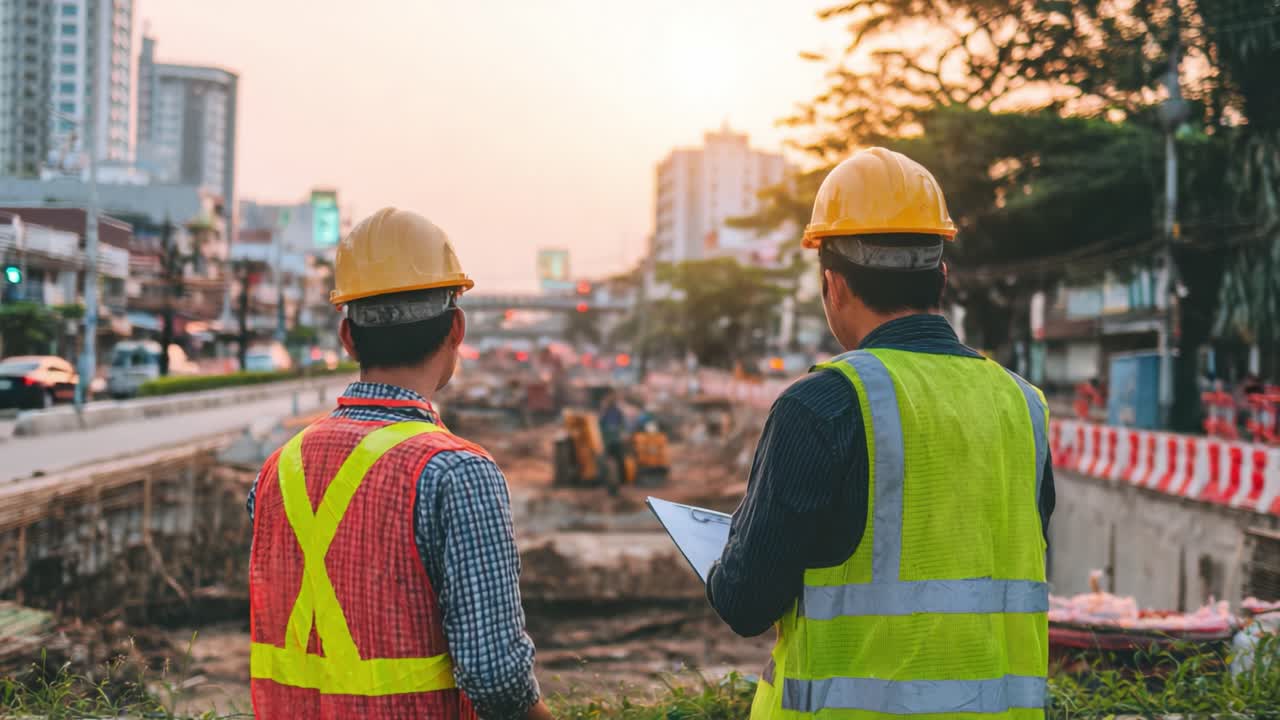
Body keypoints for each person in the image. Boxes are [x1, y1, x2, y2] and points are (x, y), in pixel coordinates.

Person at [707, 148, 1055, 718]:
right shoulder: (1024, 405)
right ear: (941, 276)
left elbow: (746, 603)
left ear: (834, 285)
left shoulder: (821, 405)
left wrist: (727, 562)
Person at [247, 208, 553, 720]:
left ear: (347, 337)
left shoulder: (278, 468)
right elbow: (496, 678)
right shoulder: (457, 473)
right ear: (456, 328)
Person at [598, 389, 626, 493]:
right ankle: (611, 486)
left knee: (618, 463)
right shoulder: (606, 412)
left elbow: (622, 425)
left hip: (615, 441)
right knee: (608, 463)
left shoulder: (617, 412)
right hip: (609, 442)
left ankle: (617, 485)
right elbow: (600, 425)